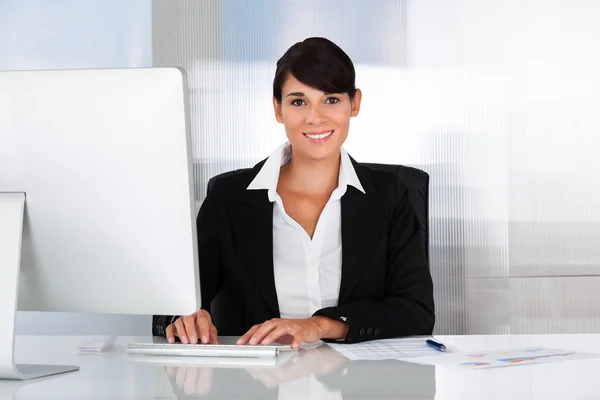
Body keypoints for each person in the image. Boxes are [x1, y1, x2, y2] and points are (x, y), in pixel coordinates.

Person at [153, 37, 434, 349]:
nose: (315, 117)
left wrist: (320, 325)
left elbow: (416, 311)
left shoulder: (389, 194)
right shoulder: (229, 198)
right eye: (298, 102)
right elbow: (170, 307)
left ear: (354, 103)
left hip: (359, 387)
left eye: (331, 100)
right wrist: (187, 317)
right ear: (278, 109)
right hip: (258, 386)